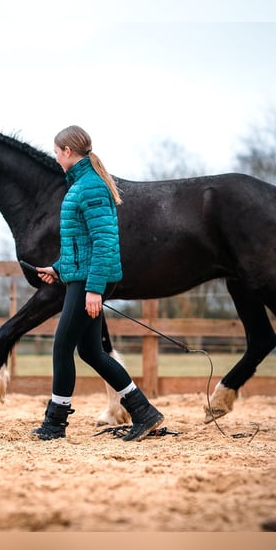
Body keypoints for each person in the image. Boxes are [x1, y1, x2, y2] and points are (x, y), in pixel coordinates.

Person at [32, 125, 164, 442]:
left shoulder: (89, 187)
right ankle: (143, 411)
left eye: (56, 151)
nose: (55, 157)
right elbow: (83, 243)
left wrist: (93, 289)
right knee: (91, 352)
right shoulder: (82, 184)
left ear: (67, 151)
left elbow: (104, 241)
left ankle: (55, 424)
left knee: (62, 347)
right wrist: (59, 268)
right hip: (81, 278)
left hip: (89, 282)